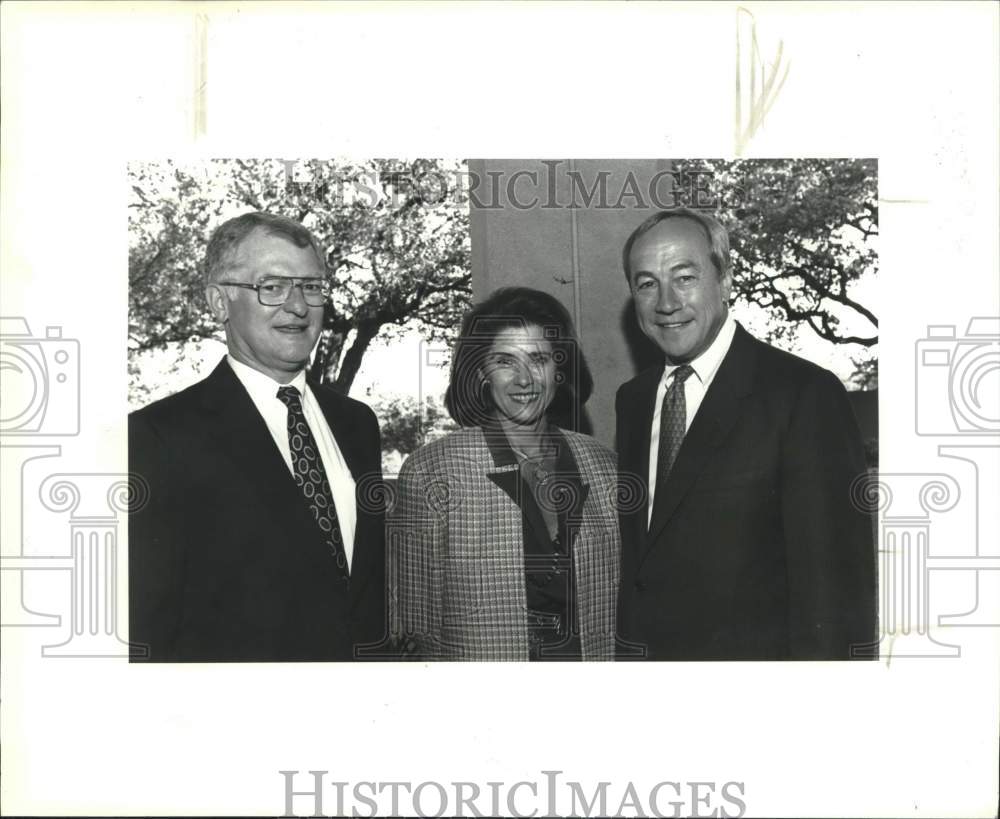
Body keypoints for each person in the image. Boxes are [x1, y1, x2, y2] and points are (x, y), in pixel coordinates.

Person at [615, 208, 876, 660]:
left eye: (684, 277)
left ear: (726, 281)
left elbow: (835, 595)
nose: (666, 302)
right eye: (646, 283)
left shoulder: (803, 394)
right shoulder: (633, 401)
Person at [129, 212, 386, 661]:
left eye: (311, 286)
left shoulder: (357, 424)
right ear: (218, 302)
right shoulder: (158, 438)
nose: (299, 306)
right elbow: (147, 629)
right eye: (272, 286)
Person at [389, 287, 620, 661]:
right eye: (505, 361)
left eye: (538, 359)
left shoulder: (605, 467)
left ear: (559, 369)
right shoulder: (432, 473)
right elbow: (417, 627)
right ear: (481, 372)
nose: (524, 379)